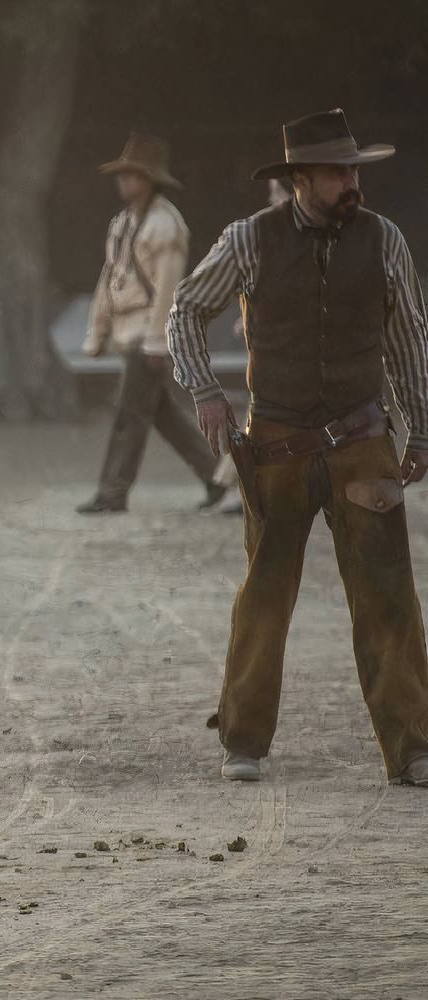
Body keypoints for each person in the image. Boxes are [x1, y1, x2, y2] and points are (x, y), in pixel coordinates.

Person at [167, 108, 428, 786]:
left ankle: (415, 747)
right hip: (276, 442)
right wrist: (204, 391)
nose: (351, 180)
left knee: (388, 595)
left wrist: (423, 427)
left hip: (364, 440)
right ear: (301, 178)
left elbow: (407, 341)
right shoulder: (249, 240)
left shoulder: (384, 239)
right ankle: (244, 740)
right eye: (338, 171)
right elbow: (187, 309)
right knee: (265, 592)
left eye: (352, 169)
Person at [76, 133, 225, 514]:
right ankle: (218, 476)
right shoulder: (122, 223)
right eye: (122, 174)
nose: (124, 181)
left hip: (148, 331)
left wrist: (159, 340)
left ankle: (113, 491)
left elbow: (168, 289)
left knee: (130, 413)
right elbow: (110, 278)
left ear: (149, 179)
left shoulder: (166, 225)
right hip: (128, 330)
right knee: (163, 415)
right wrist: (98, 329)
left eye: (133, 175)